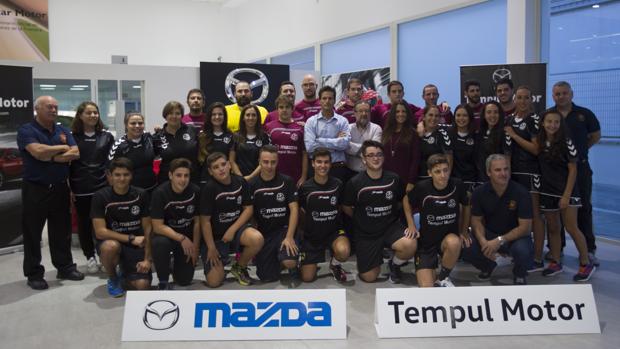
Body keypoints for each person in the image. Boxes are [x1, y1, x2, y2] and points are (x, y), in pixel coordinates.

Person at [17, 96, 84, 290]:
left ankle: (65, 267)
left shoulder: (63, 130)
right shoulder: (26, 130)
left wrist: (51, 157)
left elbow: (75, 153)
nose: (53, 110)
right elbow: (37, 151)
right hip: (35, 189)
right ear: (37, 109)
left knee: (61, 231)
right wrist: (62, 149)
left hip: (60, 188)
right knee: (32, 233)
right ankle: (34, 274)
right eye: (49, 107)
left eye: (55, 107)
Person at [342, 140, 418, 283]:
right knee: (369, 277)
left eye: (379, 155)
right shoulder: (355, 183)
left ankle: (394, 264)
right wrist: (361, 219)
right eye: (370, 155)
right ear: (363, 159)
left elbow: (404, 200)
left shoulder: (393, 179)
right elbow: (346, 207)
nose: (375, 158)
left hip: (390, 228)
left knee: (410, 244)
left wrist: (411, 224)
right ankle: (375, 258)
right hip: (366, 234)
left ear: (383, 157)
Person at [536, 110, 595, 281]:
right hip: (547, 191)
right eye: (549, 121)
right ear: (542, 123)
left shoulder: (567, 141)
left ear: (560, 124)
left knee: (571, 227)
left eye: (556, 122)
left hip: (566, 192)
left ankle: (585, 264)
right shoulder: (540, 141)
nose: (552, 125)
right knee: (553, 228)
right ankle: (555, 262)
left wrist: (566, 195)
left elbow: (573, 169)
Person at [550, 81, 601, 266]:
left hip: (580, 170)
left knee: (584, 209)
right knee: (557, 210)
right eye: (557, 94)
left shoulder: (584, 114)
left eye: (564, 93)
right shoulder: (549, 115)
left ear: (571, 94)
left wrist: (578, 153)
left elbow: (595, 136)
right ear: (552, 96)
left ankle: (589, 250)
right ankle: (558, 248)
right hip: (557, 173)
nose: (560, 96)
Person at [461, 154, 533, 285]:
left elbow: (525, 228)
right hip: (490, 234)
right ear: (488, 172)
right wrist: (483, 242)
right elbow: (476, 221)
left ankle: (519, 273)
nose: (503, 173)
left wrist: (500, 241)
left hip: (515, 237)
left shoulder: (521, 192)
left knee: (523, 250)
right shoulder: (479, 192)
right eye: (498, 170)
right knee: (465, 244)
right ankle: (487, 266)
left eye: (506, 169)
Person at [199, 152, 264, 287]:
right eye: (216, 167)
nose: (221, 169)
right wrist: (211, 247)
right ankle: (221, 262)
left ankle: (239, 266)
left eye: (223, 164)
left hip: (236, 230)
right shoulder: (209, 189)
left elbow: (248, 209)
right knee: (214, 282)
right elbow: (204, 221)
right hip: (216, 237)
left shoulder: (240, 182)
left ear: (229, 165)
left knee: (257, 239)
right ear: (210, 172)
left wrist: (232, 230)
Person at [91, 158, 152, 297]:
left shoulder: (141, 195)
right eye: (117, 175)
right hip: (116, 241)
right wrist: (131, 238)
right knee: (110, 247)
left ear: (131, 176)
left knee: (143, 286)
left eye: (126, 174)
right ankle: (113, 278)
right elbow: (100, 232)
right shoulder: (100, 197)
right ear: (110, 176)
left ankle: (125, 274)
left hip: (137, 245)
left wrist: (148, 259)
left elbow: (148, 229)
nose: (122, 178)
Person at [407, 154, 470, 287]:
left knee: (454, 242)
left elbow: (467, 204)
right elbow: (406, 200)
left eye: (445, 170)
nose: (443, 175)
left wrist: (464, 231)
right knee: (426, 287)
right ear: (430, 173)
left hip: (447, 239)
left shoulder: (457, 185)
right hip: (426, 243)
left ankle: (443, 277)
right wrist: (411, 225)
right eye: (437, 171)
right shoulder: (422, 187)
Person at [69, 101, 115, 274]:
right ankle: (90, 257)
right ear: (80, 115)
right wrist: (70, 188)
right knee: (84, 224)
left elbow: (111, 163)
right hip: (80, 187)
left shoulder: (106, 136)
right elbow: (69, 165)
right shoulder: (72, 137)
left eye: (95, 112)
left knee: (105, 223)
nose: (93, 116)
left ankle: (104, 255)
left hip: (102, 187)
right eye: (88, 113)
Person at [503, 86, 544, 271]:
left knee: (534, 215)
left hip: (530, 172)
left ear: (531, 99)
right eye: (519, 97)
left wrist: (514, 135)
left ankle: (537, 258)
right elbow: (508, 151)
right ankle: (520, 253)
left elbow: (536, 149)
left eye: (526, 97)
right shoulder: (509, 119)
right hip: (515, 174)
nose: (522, 101)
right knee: (515, 215)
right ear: (515, 99)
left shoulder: (534, 120)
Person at [298, 148, 351, 282]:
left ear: (330, 164)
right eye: (319, 162)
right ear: (313, 164)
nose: (323, 166)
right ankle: (308, 262)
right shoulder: (305, 188)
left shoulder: (338, 184)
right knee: (307, 278)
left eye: (326, 162)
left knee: (343, 251)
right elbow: (300, 212)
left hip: (333, 232)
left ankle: (335, 265)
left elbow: (341, 207)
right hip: (312, 236)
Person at [248, 146, 300, 281]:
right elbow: (251, 214)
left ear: (277, 162)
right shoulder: (252, 185)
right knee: (266, 277)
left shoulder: (287, 181)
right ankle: (277, 259)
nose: (269, 166)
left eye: (273, 162)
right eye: (265, 162)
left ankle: (293, 260)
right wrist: (255, 239)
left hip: (284, 231)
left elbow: (294, 209)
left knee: (289, 262)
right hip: (265, 234)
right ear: (259, 161)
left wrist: (289, 237)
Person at [150, 158, 201, 290]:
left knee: (184, 280)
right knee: (160, 243)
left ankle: (174, 265)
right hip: (167, 236)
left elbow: (197, 222)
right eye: (178, 175)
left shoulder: (195, 191)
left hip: (187, 237)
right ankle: (163, 279)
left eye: (186, 175)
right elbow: (157, 226)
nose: (183, 180)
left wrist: (195, 247)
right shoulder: (160, 193)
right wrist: (181, 238)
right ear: (170, 175)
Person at [304, 85, 351, 182]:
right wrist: (336, 141)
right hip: (316, 169)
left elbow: (345, 144)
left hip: (337, 168)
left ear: (334, 100)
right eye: (324, 98)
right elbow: (309, 147)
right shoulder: (311, 121)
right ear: (319, 100)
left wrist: (319, 140)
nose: (327, 101)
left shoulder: (343, 121)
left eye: (330, 98)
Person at [264, 95, 308, 187]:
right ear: (277, 109)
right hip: (274, 175)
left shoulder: (300, 128)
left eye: (287, 107)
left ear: (292, 109)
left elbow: (304, 154)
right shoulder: (268, 127)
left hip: (296, 176)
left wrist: (303, 176)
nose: (284, 110)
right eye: (281, 107)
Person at [108, 112, 157, 190]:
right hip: (130, 191)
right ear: (126, 125)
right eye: (133, 123)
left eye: (140, 123)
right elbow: (109, 171)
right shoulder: (118, 145)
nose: (137, 126)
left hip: (152, 187)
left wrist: (160, 130)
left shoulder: (149, 138)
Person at [154, 101, 199, 184]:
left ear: (182, 116)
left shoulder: (192, 130)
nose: (174, 116)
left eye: (177, 113)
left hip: (191, 179)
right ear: (165, 115)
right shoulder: (158, 136)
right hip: (167, 181)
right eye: (170, 113)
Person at [381, 101, 421, 192]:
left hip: (405, 181)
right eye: (397, 111)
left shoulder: (413, 133)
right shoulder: (386, 132)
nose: (401, 114)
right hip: (386, 179)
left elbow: (416, 159)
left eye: (404, 111)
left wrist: (411, 182)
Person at [230, 104, 271, 182]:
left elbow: (265, 160)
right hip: (239, 179)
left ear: (257, 117)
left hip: (259, 179)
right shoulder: (235, 135)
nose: (251, 118)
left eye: (254, 115)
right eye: (248, 115)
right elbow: (232, 160)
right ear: (243, 118)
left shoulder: (264, 136)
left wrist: (250, 177)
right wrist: (241, 178)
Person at [198, 102, 234, 184]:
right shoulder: (202, 135)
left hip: (225, 179)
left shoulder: (230, 135)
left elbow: (231, 161)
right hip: (206, 179)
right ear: (209, 117)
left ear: (224, 117)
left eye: (220, 114)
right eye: (213, 114)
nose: (217, 117)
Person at [345, 100, 382, 177]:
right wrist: (367, 148)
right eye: (360, 111)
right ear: (354, 113)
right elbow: (345, 146)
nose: (364, 114)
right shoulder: (347, 128)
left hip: (371, 173)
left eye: (367, 111)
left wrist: (353, 147)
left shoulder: (376, 128)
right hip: (349, 172)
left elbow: (373, 151)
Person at [417, 105, 453, 181]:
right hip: (418, 179)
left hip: (436, 179)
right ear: (424, 117)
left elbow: (449, 158)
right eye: (430, 115)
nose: (433, 118)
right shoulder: (416, 133)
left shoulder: (443, 133)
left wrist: (445, 177)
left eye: (437, 116)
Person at [449, 104, 479, 193]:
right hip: (452, 180)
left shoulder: (476, 136)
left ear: (470, 117)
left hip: (471, 181)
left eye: (465, 115)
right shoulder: (448, 133)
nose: (461, 118)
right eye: (458, 115)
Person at [476, 101, 507, 182]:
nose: (492, 115)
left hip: (498, 179)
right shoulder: (480, 133)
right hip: (481, 179)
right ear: (484, 115)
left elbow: (507, 160)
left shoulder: (505, 133)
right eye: (489, 112)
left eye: (496, 112)